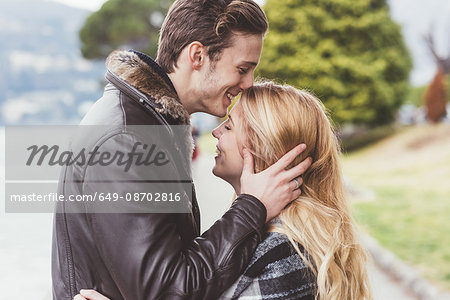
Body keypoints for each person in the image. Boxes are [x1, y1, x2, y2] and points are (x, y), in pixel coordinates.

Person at [53, 1, 311, 299]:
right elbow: (166, 290)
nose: (249, 84)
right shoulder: (128, 141)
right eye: (242, 69)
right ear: (198, 55)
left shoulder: (150, 127)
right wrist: (252, 206)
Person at [74, 82, 373, 300]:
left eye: (229, 126)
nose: (216, 132)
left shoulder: (282, 254)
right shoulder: (263, 234)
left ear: (261, 147)